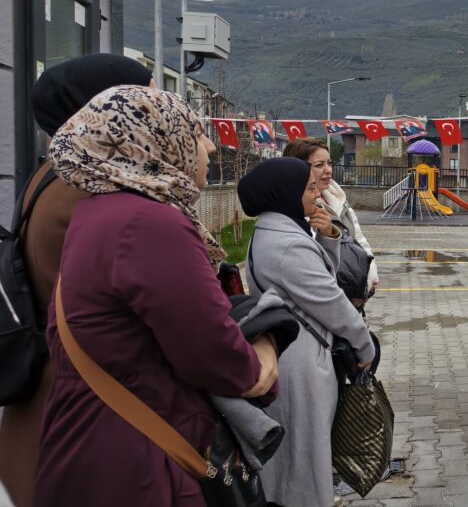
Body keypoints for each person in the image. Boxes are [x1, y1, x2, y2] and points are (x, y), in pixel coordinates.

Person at [34, 85, 279, 506]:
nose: (209, 147)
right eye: (197, 132)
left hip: (94, 447)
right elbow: (216, 357)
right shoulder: (150, 223)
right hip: (139, 465)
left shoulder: (100, 209)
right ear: (154, 140)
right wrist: (267, 348)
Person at [0, 53, 154, 507]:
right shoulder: (89, 186)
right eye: (140, 99)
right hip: (85, 410)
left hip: (49, 397)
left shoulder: (52, 174)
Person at [239, 157, 375, 507]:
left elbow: (318, 281)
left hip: (296, 354)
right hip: (302, 365)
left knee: (298, 457)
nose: (317, 196)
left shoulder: (278, 229)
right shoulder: (287, 244)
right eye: (310, 188)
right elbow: (331, 301)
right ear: (285, 192)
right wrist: (365, 346)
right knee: (304, 458)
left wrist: (327, 237)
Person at [283, 138, 379, 294]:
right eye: (319, 165)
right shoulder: (298, 210)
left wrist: (369, 274)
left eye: (329, 163)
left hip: (354, 292)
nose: (328, 170)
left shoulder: (339, 200)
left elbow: (361, 242)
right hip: (328, 295)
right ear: (297, 169)